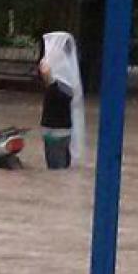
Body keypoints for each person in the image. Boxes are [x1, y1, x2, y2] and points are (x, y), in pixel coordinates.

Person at [38, 31, 85, 170]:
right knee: (59, 168)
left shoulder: (62, 76)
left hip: (56, 130)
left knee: (56, 169)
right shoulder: (67, 72)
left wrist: (48, 77)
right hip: (57, 129)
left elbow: (59, 94)